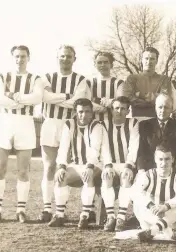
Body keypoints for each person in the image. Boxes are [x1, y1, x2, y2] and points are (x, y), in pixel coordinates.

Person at [0, 45, 43, 223]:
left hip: (25, 123)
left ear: (28, 57)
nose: (20, 60)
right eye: (17, 56)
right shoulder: (3, 76)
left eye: (23, 56)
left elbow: (37, 98)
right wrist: (22, 101)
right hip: (5, 121)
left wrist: (14, 97)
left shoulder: (36, 78)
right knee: (0, 167)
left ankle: (21, 210)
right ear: (13, 58)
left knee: (23, 170)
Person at [39, 45, 91, 222]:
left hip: (71, 125)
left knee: (73, 166)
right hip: (50, 124)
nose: (65, 59)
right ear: (57, 58)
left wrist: (56, 97)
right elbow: (45, 97)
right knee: (49, 166)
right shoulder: (46, 78)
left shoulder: (81, 80)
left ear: (74, 59)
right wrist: (66, 96)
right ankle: (47, 208)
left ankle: (63, 209)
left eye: (69, 57)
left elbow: (76, 103)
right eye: (62, 56)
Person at [47, 98, 112, 229]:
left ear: (92, 112)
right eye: (81, 112)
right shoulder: (69, 124)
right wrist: (61, 167)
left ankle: (85, 216)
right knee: (60, 177)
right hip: (76, 164)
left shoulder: (97, 125)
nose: (84, 115)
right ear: (75, 112)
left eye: (87, 111)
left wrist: (89, 167)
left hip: (95, 164)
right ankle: (59, 215)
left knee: (87, 175)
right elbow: (63, 148)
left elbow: (95, 150)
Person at [132, 144, 176, 242]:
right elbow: (135, 191)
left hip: (171, 215)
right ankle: (169, 233)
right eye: (160, 159)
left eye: (167, 159)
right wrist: (151, 206)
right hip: (152, 214)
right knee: (137, 203)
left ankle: (154, 230)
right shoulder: (148, 175)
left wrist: (166, 206)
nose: (164, 163)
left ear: (173, 159)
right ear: (155, 159)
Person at [101, 96, 139, 232]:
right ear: (111, 110)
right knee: (107, 177)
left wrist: (129, 166)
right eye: (116, 108)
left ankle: (121, 217)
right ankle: (111, 216)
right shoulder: (104, 124)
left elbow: (133, 147)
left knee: (126, 177)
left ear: (128, 111)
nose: (119, 111)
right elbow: (104, 147)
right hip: (110, 163)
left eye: (123, 109)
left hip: (126, 163)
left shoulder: (133, 123)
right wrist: (108, 165)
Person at [137, 94, 176, 172]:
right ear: (155, 108)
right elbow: (141, 149)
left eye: (166, 107)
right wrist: (141, 169)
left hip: (171, 169)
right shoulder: (145, 125)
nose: (163, 110)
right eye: (160, 107)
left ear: (172, 109)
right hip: (149, 169)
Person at [118, 47, 171, 119]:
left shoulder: (164, 79)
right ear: (142, 60)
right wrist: (154, 97)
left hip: (156, 120)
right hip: (137, 119)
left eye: (152, 59)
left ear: (156, 61)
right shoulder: (132, 78)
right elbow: (127, 98)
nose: (149, 62)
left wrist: (138, 95)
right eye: (146, 58)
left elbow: (164, 100)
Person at [90, 51, 124, 122]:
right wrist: (109, 103)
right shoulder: (89, 82)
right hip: (93, 122)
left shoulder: (119, 83)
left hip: (113, 122)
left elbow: (120, 103)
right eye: (99, 62)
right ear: (95, 65)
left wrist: (95, 100)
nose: (102, 65)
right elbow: (86, 104)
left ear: (111, 65)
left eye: (106, 62)